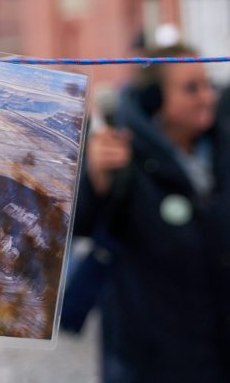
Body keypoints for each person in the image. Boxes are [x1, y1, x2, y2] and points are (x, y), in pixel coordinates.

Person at [73, 45, 230, 382]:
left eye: (208, 85)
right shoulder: (122, 159)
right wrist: (96, 178)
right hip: (152, 362)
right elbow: (79, 225)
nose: (206, 97)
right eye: (191, 88)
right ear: (153, 99)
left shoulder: (223, 149)